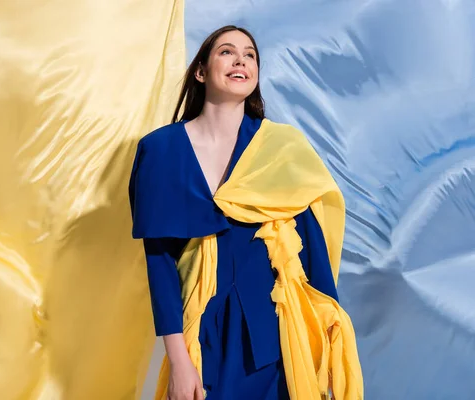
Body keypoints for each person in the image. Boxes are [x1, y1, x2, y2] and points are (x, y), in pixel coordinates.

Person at [129, 26, 363, 400]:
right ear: (201, 71)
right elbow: (159, 262)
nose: (240, 60)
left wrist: (328, 351)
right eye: (226, 52)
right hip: (204, 333)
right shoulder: (160, 150)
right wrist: (178, 359)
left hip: (280, 338)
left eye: (250, 54)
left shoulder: (282, 148)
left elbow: (314, 256)